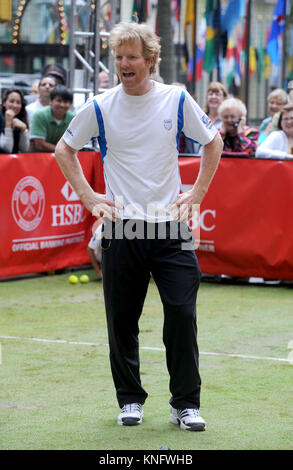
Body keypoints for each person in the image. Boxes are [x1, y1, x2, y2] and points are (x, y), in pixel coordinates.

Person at [55, 21, 223, 432]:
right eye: (118, 57)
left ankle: (185, 404)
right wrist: (90, 197)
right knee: (122, 318)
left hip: (171, 228)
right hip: (122, 228)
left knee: (182, 313)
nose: (123, 64)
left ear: (149, 61)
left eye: (131, 57)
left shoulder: (176, 98)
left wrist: (196, 195)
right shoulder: (99, 105)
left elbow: (213, 141)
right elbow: (64, 149)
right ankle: (130, 399)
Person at [30, 85, 74, 153]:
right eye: (59, 101)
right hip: (39, 157)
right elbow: (39, 145)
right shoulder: (40, 115)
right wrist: (64, 151)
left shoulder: (73, 118)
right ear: (51, 101)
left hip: (63, 157)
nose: (62, 105)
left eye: (66, 102)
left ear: (70, 104)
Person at [0, 88, 30, 153]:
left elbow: (25, 150)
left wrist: (24, 130)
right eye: (11, 101)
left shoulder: (23, 117)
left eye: (18, 102)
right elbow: (6, 150)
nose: (15, 105)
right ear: (4, 103)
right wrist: (8, 125)